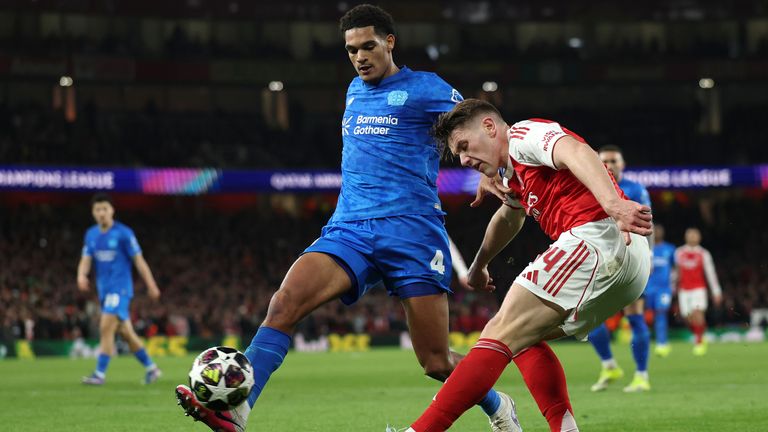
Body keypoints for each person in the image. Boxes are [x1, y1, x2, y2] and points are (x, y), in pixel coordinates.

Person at [175, 5, 526, 432]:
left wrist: (494, 171)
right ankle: (236, 411)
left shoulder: (425, 88)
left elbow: (477, 122)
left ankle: (496, 404)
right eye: (351, 50)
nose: (359, 57)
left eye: (368, 46)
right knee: (283, 305)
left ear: (389, 42)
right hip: (350, 228)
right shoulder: (354, 91)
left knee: (435, 362)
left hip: (412, 232)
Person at [403, 98, 652, 432]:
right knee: (522, 336)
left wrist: (613, 204)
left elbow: (577, 152)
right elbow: (508, 218)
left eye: (464, 145)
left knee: (498, 330)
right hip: (626, 263)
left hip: (597, 237)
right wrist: (479, 265)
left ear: (490, 127)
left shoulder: (523, 134)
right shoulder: (514, 172)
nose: (463, 159)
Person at [587, 145, 654, 393]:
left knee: (634, 317)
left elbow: (648, 224)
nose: (610, 165)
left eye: (615, 160)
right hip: (601, 259)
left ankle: (641, 375)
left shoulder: (636, 189)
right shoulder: (590, 186)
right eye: (605, 161)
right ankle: (609, 365)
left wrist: (648, 254)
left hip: (631, 257)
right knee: (588, 315)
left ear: (623, 164)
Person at [78, 193, 162, 385]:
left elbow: (139, 260)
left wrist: (151, 285)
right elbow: (86, 258)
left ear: (112, 210)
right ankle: (152, 368)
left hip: (120, 289)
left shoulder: (124, 233)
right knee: (125, 333)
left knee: (106, 326)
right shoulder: (91, 234)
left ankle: (99, 374)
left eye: (105, 209)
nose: (101, 213)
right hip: (104, 291)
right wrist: (81, 275)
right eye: (98, 210)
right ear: (93, 212)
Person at [675, 227, 722, 355]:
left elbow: (710, 273)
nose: (692, 237)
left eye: (695, 235)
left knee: (698, 313)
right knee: (688, 317)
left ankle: (699, 342)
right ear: (685, 237)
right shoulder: (679, 252)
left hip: (698, 289)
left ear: (699, 237)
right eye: (690, 234)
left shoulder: (704, 253)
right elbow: (676, 272)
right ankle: (700, 333)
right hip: (684, 290)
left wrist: (716, 291)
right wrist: (672, 285)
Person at [647, 224, 676, 357]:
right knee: (645, 316)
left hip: (664, 289)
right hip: (647, 287)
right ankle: (645, 341)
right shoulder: (646, 249)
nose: (657, 232)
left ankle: (661, 343)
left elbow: (676, 268)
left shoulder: (670, 249)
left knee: (661, 312)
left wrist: (674, 285)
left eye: (659, 230)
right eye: (655, 230)